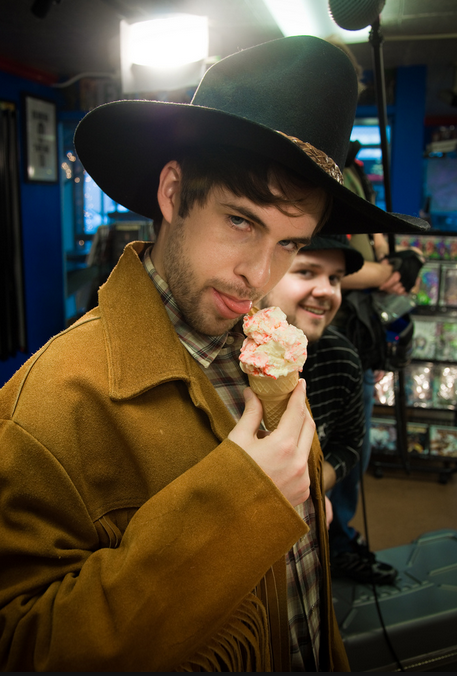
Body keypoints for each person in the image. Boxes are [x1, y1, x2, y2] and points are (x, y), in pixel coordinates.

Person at [0, 35, 426, 672]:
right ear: (173, 193)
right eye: (240, 221)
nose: (258, 272)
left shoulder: (272, 349)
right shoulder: (48, 405)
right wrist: (238, 503)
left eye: (289, 243)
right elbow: (21, 647)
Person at [261, 233, 399, 585]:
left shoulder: (341, 356)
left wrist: (308, 491)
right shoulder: (225, 361)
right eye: (307, 272)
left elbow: (349, 442)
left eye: (335, 278)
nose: (327, 291)